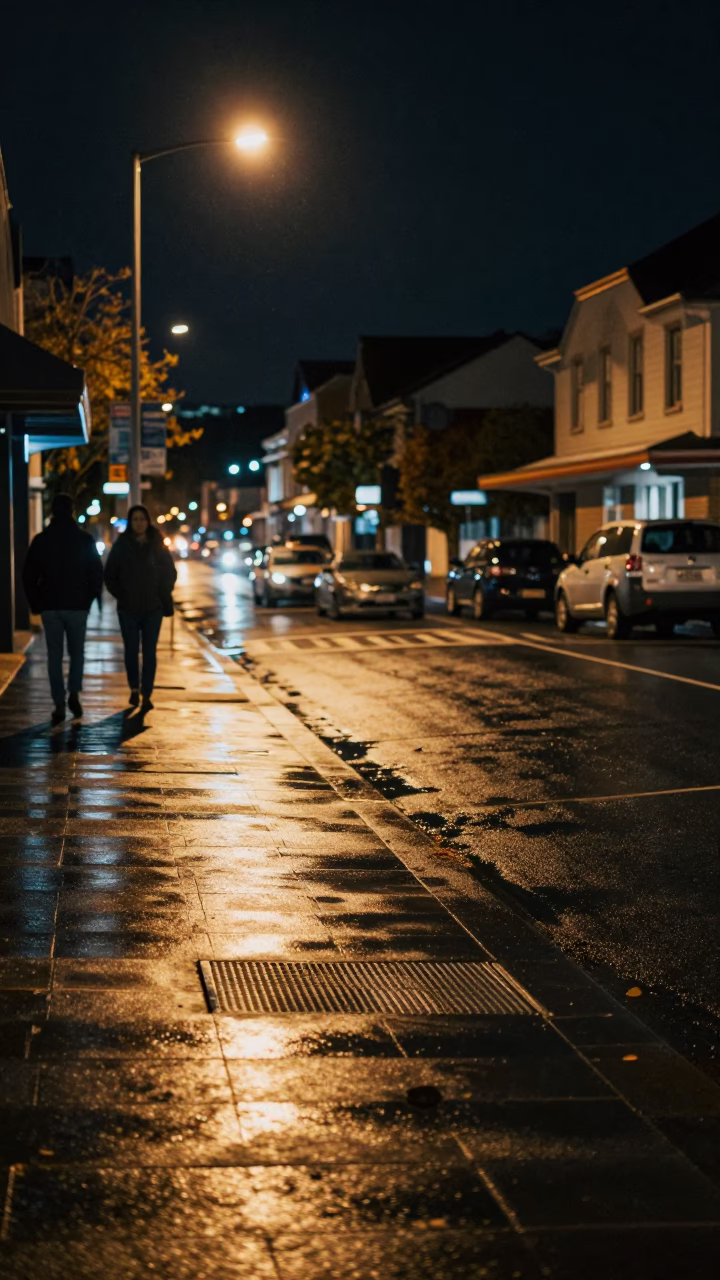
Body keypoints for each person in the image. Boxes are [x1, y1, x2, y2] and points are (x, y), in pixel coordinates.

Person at [22, 493, 104, 725]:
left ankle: (59, 702)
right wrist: (89, 599)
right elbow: (96, 573)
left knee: (54, 656)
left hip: (50, 606)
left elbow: (28, 575)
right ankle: (74, 694)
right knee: (77, 653)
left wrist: (36, 602)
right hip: (77, 606)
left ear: (52, 511)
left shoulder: (42, 540)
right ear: (72, 511)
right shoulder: (85, 540)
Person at [103, 504, 176, 711]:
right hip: (128, 608)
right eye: (135, 519)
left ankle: (147, 693)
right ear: (130, 522)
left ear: (147, 521)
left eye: (142, 519)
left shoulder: (157, 542)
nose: (139, 523)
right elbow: (110, 574)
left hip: (153, 608)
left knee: (150, 652)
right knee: (131, 650)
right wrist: (122, 594)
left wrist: (163, 590)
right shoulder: (122, 544)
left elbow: (170, 571)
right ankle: (134, 688)